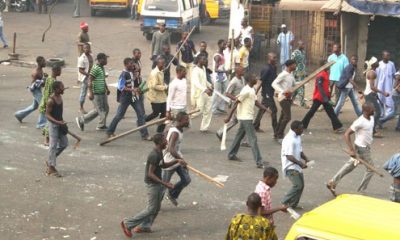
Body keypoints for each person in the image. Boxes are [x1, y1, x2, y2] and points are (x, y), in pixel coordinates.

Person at [120, 134, 187, 237]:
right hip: (152, 184)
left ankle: (145, 227)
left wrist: (176, 161)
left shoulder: (160, 152)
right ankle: (128, 223)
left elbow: (163, 165)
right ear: (160, 142)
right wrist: (165, 183)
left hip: (157, 183)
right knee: (151, 208)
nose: (167, 142)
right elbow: (150, 174)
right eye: (165, 140)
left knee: (156, 207)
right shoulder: (154, 155)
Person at [326, 103, 376, 196]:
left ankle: (332, 182)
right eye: (372, 110)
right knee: (371, 169)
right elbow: (346, 134)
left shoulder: (371, 117)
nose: (374, 111)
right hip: (362, 148)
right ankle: (361, 191)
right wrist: (351, 150)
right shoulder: (360, 121)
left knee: (350, 165)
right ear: (366, 111)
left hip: (366, 147)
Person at [227, 73, 269, 168]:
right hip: (246, 118)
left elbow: (255, 102)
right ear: (249, 80)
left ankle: (231, 154)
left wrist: (265, 109)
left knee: (239, 136)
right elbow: (236, 102)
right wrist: (229, 117)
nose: (256, 78)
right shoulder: (245, 90)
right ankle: (259, 162)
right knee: (253, 139)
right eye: (254, 77)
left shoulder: (252, 90)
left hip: (246, 117)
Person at [106, 58, 151, 140]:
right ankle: (110, 131)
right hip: (125, 98)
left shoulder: (131, 72)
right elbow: (121, 87)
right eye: (131, 63)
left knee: (140, 114)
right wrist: (132, 89)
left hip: (133, 97)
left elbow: (132, 81)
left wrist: (136, 77)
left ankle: (145, 135)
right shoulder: (123, 74)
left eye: (133, 63)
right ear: (126, 65)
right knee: (119, 115)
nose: (132, 65)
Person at [302, 60, 343, 132]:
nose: (329, 66)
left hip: (324, 97)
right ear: (323, 66)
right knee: (312, 112)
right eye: (327, 65)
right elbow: (320, 86)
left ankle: (337, 127)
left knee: (330, 112)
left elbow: (325, 86)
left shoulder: (325, 73)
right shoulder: (321, 75)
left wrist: (327, 96)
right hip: (319, 97)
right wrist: (325, 98)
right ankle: (302, 125)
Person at [76, 53, 110, 131]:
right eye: (105, 59)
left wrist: (107, 88)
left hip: (102, 92)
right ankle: (81, 120)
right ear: (101, 59)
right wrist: (91, 92)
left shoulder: (101, 67)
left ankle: (101, 125)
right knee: (99, 110)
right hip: (96, 93)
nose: (106, 61)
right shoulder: (95, 68)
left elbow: (103, 79)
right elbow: (90, 80)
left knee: (105, 109)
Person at [162, 112, 191, 206]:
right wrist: (180, 160)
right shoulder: (175, 132)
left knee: (186, 179)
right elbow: (171, 149)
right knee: (163, 186)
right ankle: (154, 205)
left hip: (177, 160)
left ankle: (172, 194)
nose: (188, 121)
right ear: (180, 120)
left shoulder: (179, 129)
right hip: (169, 162)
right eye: (186, 119)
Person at [281, 120, 309, 208]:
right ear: (295, 129)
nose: (302, 130)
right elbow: (289, 156)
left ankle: (293, 205)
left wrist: (306, 158)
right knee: (298, 185)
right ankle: (284, 201)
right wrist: (300, 163)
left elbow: (300, 151)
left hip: (297, 166)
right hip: (290, 167)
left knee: (301, 185)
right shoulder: (289, 139)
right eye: (301, 129)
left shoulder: (298, 137)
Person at [255, 167, 288, 240]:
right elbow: (261, 212)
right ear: (268, 178)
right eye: (275, 179)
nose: (276, 182)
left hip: (268, 223)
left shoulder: (265, 188)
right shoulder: (262, 192)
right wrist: (279, 208)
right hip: (264, 225)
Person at [15, 56, 47, 128]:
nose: (45, 62)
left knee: (34, 106)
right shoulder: (36, 73)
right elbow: (35, 84)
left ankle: (19, 115)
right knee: (43, 106)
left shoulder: (40, 70)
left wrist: (44, 79)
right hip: (36, 90)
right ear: (40, 63)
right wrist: (43, 81)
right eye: (44, 61)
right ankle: (41, 124)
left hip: (37, 90)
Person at [45, 81, 68, 177]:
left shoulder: (60, 97)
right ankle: (51, 168)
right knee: (53, 145)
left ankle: (50, 159)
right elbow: (47, 115)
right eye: (61, 87)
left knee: (64, 143)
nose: (63, 88)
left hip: (60, 124)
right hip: (53, 125)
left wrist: (62, 122)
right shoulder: (51, 100)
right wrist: (57, 122)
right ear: (56, 89)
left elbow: (59, 113)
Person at [216, 66, 245, 140]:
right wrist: (235, 99)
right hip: (236, 104)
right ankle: (244, 140)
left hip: (241, 103)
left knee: (234, 121)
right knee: (244, 121)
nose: (243, 72)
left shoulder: (242, 79)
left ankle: (220, 132)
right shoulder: (234, 81)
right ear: (237, 72)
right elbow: (227, 93)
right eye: (242, 70)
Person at [363, 56, 389, 136]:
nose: (378, 62)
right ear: (374, 64)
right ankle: (372, 130)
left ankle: (368, 129)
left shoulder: (372, 72)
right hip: (370, 94)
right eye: (377, 61)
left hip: (369, 94)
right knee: (378, 112)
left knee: (370, 112)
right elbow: (372, 87)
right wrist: (383, 93)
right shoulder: (372, 73)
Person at [272, 59, 297, 143]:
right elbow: (274, 83)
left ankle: (277, 133)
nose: (295, 66)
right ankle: (279, 135)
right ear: (290, 66)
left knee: (283, 116)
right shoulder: (283, 74)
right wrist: (282, 91)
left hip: (288, 98)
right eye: (294, 65)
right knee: (287, 117)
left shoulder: (290, 75)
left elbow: (294, 84)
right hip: (283, 98)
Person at [254, 52, 278, 136]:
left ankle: (255, 126)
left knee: (262, 109)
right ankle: (276, 131)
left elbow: (274, 80)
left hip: (270, 92)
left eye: (276, 58)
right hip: (267, 93)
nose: (275, 59)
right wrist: (255, 93)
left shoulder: (274, 67)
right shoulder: (266, 69)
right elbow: (260, 81)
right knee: (274, 110)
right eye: (273, 58)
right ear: (269, 58)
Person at [39, 66, 62, 146]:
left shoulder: (49, 78)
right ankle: (47, 139)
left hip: (46, 101)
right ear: (55, 71)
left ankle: (52, 137)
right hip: (50, 103)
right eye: (59, 70)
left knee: (51, 121)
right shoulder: (53, 81)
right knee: (50, 121)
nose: (61, 72)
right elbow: (51, 93)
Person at [145, 57, 168, 133]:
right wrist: (164, 87)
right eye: (162, 63)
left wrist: (164, 85)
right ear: (157, 64)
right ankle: (143, 120)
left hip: (161, 97)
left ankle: (160, 130)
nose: (163, 64)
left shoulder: (161, 71)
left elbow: (160, 82)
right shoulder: (155, 73)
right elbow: (154, 86)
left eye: (164, 63)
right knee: (156, 113)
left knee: (164, 114)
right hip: (155, 97)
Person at [191, 55, 213, 132]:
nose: (205, 61)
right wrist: (205, 89)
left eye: (205, 59)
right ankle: (185, 118)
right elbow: (196, 83)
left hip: (205, 92)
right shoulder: (195, 70)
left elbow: (204, 80)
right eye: (203, 59)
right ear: (198, 60)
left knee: (208, 109)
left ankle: (204, 128)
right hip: (199, 93)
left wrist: (210, 85)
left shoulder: (203, 68)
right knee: (199, 110)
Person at [177, 32, 196, 107]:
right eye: (184, 34)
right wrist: (178, 64)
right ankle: (182, 91)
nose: (186, 36)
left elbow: (194, 51)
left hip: (191, 62)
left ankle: (192, 91)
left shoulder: (190, 42)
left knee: (191, 78)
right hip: (184, 63)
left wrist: (196, 58)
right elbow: (177, 54)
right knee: (183, 78)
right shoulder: (179, 44)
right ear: (182, 35)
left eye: (187, 35)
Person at [376, 51, 396, 121]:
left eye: (388, 56)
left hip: (389, 85)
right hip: (380, 85)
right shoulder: (379, 64)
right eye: (386, 55)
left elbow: (394, 74)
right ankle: (381, 114)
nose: (387, 57)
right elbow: (376, 76)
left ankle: (388, 114)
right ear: (382, 56)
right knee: (380, 99)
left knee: (389, 99)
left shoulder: (391, 64)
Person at [212, 39, 228, 114]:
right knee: (216, 92)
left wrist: (225, 71)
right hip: (217, 77)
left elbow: (221, 66)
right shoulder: (217, 56)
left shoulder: (222, 54)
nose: (225, 46)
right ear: (219, 45)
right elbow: (215, 69)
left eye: (225, 44)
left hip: (223, 76)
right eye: (223, 44)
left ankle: (221, 107)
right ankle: (213, 109)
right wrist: (225, 71)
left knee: (226, 91)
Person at [77, 43, 94, 114]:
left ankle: (95, 106)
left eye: (88, 48)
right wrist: (88, 75)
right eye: (85, 48)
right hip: (85, 78)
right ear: (83, 49)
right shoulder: (81, 58)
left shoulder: (91, 55)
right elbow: (80, 70)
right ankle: (81, 107)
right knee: (83, 93)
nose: (87, 49)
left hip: (91, 76)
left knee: (94, 91)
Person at [291, 41, 307, 108]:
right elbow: (292, 62)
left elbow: (303, 62)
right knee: (300, 87)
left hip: (302, 72)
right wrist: (293, 72)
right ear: (299, 45)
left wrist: (305, 72)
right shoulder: (295, 53)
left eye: (304, 44)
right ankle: (302, 103)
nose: (303, 46)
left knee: (297, 87)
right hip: (297, 72)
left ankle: (291, 101)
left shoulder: (303, 52)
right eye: (302, 44)